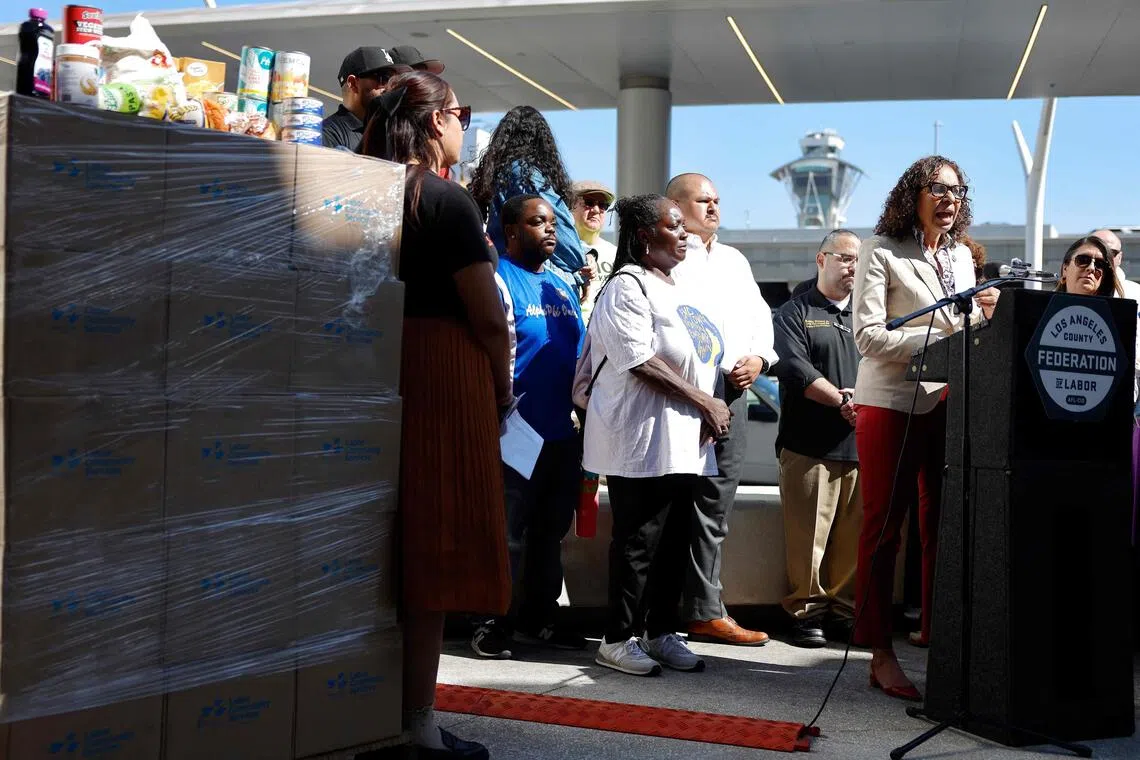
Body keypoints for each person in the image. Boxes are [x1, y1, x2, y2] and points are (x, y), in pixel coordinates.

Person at [360, 71, 510, 760]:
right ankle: (417, 722)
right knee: (435, 547)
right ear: (433, 122)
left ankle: (371, 710)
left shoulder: (364, 191)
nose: (465, 125)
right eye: (460, 112)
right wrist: (502, 385)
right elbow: (486, 314)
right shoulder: (445, 201)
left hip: (371, 372)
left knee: (385, 551)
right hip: (442, 375)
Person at [851, 156, 1000, 702]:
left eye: (958, 190)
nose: (949, 198)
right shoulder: (881, 250)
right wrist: (943, 339)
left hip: (948, 404)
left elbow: (968, 325)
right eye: (937, 188)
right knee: (884, 526)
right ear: (912, 192)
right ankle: (878, 651)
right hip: (890, 402)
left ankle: (941, 635)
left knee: (947, 524)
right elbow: (868, 338)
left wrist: (986, 318)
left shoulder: (962, 256)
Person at [583, 194, 729, 677]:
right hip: (642, 435)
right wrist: (704, 401)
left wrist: (712, 400)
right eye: (674, 226)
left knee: (675, 540)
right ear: (645, 236)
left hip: (686, 438)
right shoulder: (627, 286)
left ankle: (660, 632)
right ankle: (617, 637)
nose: (685, 233)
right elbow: (641, 361)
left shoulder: (678, 284)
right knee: (639, 540)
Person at [470, 194, 588, 659]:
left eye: (553, 221)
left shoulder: (560, 286)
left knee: (548, 534)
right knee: (506, 534)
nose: (550, 229)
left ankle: (538, 619)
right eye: (537, 222)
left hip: (561, 433)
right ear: (512, 231)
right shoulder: (499, 281)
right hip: (515, 432)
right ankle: (489, 623)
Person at [665, 173, 778, 646]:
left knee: (715, 505)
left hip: (732, 393)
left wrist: (759, 358)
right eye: (702, 200)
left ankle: (705, 610)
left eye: (717, 199)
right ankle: (658, 612)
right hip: (680, 394)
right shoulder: (663, 255)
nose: (713, 207)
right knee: (668, 503)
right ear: (674, 205)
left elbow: (759, 321)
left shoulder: (734, 260)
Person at [772, 230, 863, 648]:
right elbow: (794, 368)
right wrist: (841, 400)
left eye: (858, 260)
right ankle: (806, 612)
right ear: (821, 259)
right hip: (809, 448)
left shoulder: (869, 316)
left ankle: (844, 613)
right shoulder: (794, 312)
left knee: (852, 542)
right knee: (807, 538)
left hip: (862, 448)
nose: (852, 267)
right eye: (844, 258)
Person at [469, 106, 589, 298]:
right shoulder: (525, 176)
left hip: (515, 278)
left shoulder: (501, 175)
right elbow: (562, 233)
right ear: (542, 141)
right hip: (539, 285)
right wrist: (580, 263)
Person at [322, 47, 410, 152]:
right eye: (384, 78)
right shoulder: (328, 134)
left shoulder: (391, 130)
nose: (389, 87)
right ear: (353, 83)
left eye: (393, 80)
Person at [573, 180, 618, 322]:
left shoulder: (616, 254)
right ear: (571, 206)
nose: (596, 210)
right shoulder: (558, 253)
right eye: (589, 202)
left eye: (603, 205)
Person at [1056, 236, 1122, 297]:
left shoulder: (1119, 309)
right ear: (1065, 268)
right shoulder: (1046, 307)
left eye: (1100, 264)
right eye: (1083, 260)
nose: (1091, 268)